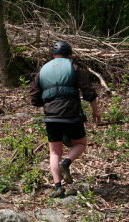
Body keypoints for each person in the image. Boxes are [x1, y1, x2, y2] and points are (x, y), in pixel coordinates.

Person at [29, 41, 101, 198]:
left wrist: (47, 103)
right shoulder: (74, 68)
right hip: (72, 114)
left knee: (54, 152)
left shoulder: (42, 71)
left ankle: (58, 188)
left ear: (53, 55)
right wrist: (95, 111)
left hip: (51, 116)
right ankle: (67, 163)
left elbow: (34, 98)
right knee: (80, 143)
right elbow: (88, 91)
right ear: (69, 55)